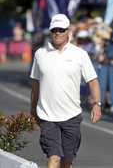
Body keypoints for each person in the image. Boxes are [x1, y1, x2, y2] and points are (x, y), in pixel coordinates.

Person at [30, 14, 102, 168]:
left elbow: (93, 81)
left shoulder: (80, 54)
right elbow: (35, 84)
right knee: (54, 157)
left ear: (68, 31)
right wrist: (33, 110)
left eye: (61, 30)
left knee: (67, 162)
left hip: (71, 116)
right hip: (47, 116)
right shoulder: (40, 54)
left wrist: (97, 104)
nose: (57, 33)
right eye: (54, 30)